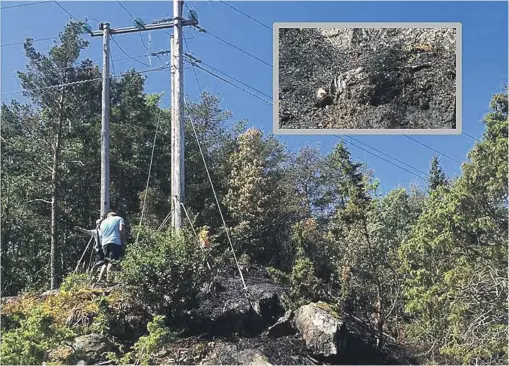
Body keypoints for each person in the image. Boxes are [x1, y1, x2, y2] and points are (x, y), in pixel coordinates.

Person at [97, 211, 126, 284]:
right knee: (112, 262)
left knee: (106, 262)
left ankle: (100, 279)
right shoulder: (119, 219)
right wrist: (123, 241)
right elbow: (121, 230)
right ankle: (109, 280)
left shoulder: (103, 222)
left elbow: (101, 234)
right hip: (114, 241)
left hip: (104, 243)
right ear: (115, 215)